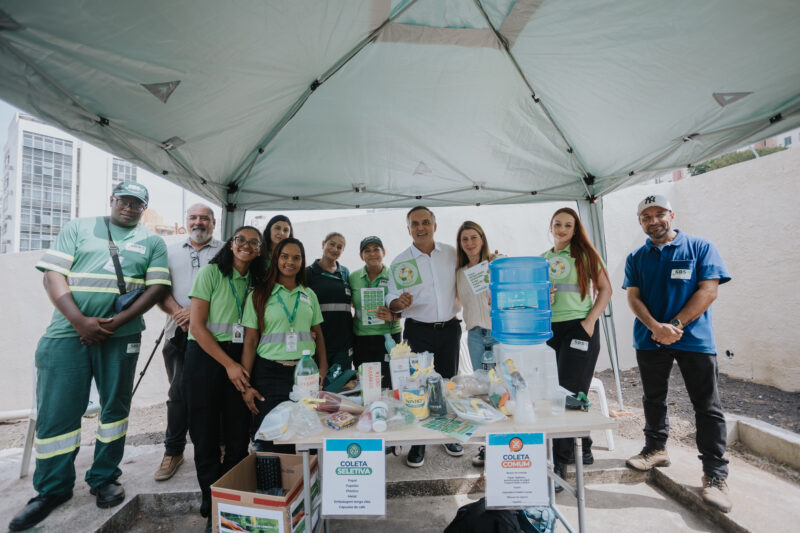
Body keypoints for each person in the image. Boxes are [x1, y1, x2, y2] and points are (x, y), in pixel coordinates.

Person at [9, 181, 170, 532]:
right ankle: (51, 490)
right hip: (67, 334)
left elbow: (157, 287)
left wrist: (116, 322)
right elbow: (53, 275)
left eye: (136, 203)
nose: (129, 207)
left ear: (144, 208)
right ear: (111, 200)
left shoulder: (153, 241)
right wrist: (80, 321)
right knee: (56, 415)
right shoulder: (79, 228)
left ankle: (105, 477)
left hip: (122, 336)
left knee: (114, 410)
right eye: (124, 200)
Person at [623, 194, 732, 513]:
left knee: (707, 407)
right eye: (646, 216)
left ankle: (715, 475)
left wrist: (674, 325)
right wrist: (656, 327)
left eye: (659, 214)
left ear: (672, 215)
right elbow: (633, 297)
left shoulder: (700, 247)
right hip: (649, 337)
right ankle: (655, 449)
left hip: (694, 339)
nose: (653, 220)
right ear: (640, 222)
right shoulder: (636, 257)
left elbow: (708, 290)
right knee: (653, 398)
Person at [183, 226, 267, 529]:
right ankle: (211, 493)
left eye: (253, 243)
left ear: (259, 250)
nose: (246, 245)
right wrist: (229, 365)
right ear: (231, 245)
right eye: (240, 240)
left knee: (236, 430)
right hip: (205, 355)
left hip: (240, 353)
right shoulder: (211, 273)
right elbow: (197, 327)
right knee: (204, 431)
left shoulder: (256, 281)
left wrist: (238, 366)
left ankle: (228, 494)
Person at [386, 206, 462, 467]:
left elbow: (473, 272)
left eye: (426, 222)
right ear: (408, 229)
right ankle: (418, 443)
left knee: (447, 383)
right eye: (415, 224)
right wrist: (398, 301)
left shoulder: (452, 254)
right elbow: (391, 301)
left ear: (435, 225)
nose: (421, 227)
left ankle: (447, 433)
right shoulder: (400, 262)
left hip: (450, 329)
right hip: (418, 330)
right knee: (417, 386)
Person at [542, 207, 612, 491]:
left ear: (575, 228)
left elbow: (605, 289)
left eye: (567, 225)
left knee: (570, 393)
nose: (561, 229)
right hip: (551, 330)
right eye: (557, 224)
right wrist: (543, 296)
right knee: (555, 392)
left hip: (579, 328)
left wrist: (590, 322)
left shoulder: (585, 255)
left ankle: (560, 463)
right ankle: (583, 446)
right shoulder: (543, 259)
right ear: (551, 226)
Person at [154, 203, 223, 482]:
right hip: (178, 333)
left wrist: (197, 314)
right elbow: (158, 289)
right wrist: (177, 312)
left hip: (214, 334)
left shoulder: (226, 251)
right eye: (193, 217)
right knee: (179, 393)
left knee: (217, 393)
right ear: (186, 221)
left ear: (213, 223)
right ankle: (174, 451)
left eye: (204, 218)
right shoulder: (168, 252)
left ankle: (218, 447)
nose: (199, 222)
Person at [242, 238, 328, 453]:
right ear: (276, 260)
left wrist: (323, 368)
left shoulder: (309, 295)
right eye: (285, 256)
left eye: (296, 257)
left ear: (302, 262)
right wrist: (246, 385)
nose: (290, 262)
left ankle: (303, 482)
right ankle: (273, 485)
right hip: (268, 374)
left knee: (305, 434)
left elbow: (318, 334)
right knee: (270, 437)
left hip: (304, 374)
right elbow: (250, 341)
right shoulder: (259, 295)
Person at [455, 221, 500, 467]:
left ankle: (503, 443)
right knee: (482, 391)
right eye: (465, 239)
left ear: (482, 239)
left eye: (474, 237)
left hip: (497, 333)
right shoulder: (459, 273)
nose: (470, 243)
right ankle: (486, 447)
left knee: (501, 389)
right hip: (474, 334)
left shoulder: (495, 265)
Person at [349, 236, 402, 387]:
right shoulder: (352, 277)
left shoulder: (394, 276)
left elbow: (409, 307)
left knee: (391, 382)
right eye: (367, 251)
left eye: (376, 250)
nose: (372, 254)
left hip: (389, 338)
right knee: (367, 383)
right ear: (361, 256)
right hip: (362, 339)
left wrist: (394, 316)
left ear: (383, 252)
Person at [306, 232, 353, 370]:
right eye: (332, 244)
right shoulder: (307, 273)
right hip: (319, 342)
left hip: (344, 343)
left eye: (340, 247)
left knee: (343, 387)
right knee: (319, 387)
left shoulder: (345, 273)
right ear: (323, 244)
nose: (335, 249)